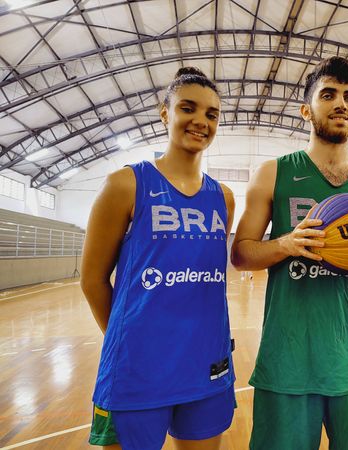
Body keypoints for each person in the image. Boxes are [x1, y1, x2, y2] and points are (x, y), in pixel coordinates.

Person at [231, 57, 348, 450]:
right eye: (329, 95)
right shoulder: (274, 172)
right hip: (290, 361)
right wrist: (287, 243)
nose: (341, 103)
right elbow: (240, 254)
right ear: (307, 110)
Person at [80, 67, 236, 450]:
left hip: (207, 365)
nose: (201, 121)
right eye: (188, 108)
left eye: (211, 114)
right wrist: (130, 342)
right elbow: (92, 280)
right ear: (165, 113)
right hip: (138, 370)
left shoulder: (225, 198)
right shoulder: (125, 184)